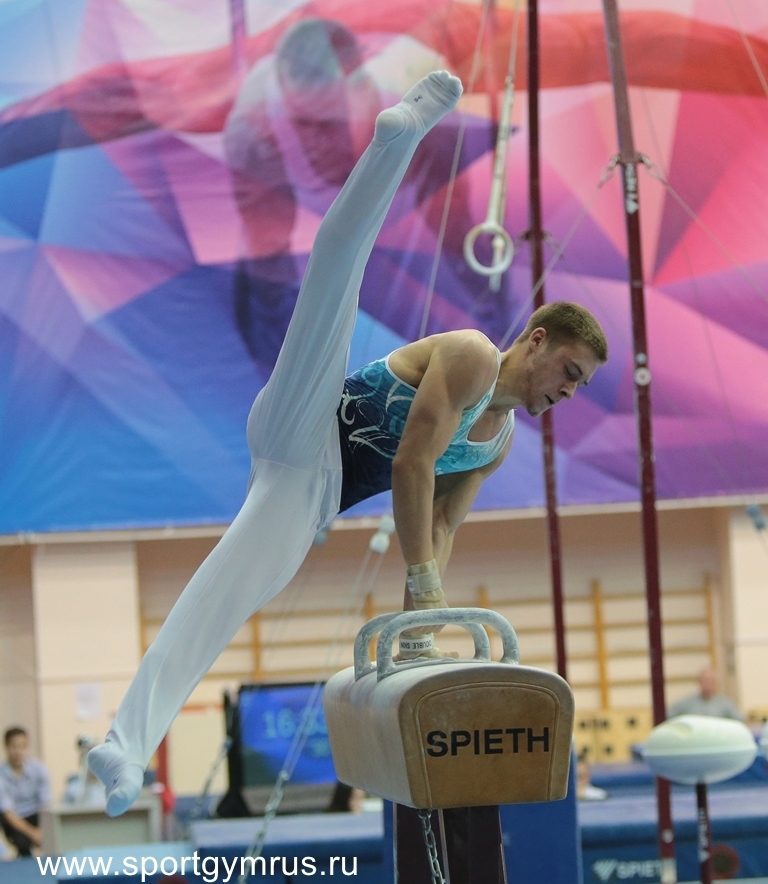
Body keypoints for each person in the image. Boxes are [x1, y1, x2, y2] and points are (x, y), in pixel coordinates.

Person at [89, 70, 608, 817]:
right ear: (536, 341)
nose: (569, 391)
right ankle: (399, 137)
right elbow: (412, 463)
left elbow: (439, 526)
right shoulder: (471, 355)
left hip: (309, 486)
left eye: (580, 385)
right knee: (336, 272)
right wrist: (424, 580)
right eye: (569, 372)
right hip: (310, 418)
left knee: (229, 591)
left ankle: (123, 748)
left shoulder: (494, 444)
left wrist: (420, 624)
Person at [0, 727, 51, 857]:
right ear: (6, 747)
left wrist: (42, 830)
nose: (19, 752)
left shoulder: (39, 769)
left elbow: (46, 804)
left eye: (23, 746)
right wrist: (33, 833)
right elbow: (8, 813)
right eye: (14, 747)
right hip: (15, 820)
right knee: (22, 842)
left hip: (36, 815)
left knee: (52, 833)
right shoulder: (1, 775)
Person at [668, 667, 743, 721]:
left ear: (716, 684)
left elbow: (739, 719)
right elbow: (669, 715)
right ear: (699, 682)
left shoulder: (725, 704)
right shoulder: (687, 703)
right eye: (705, 681)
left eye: (710, 681)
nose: (707, 684)